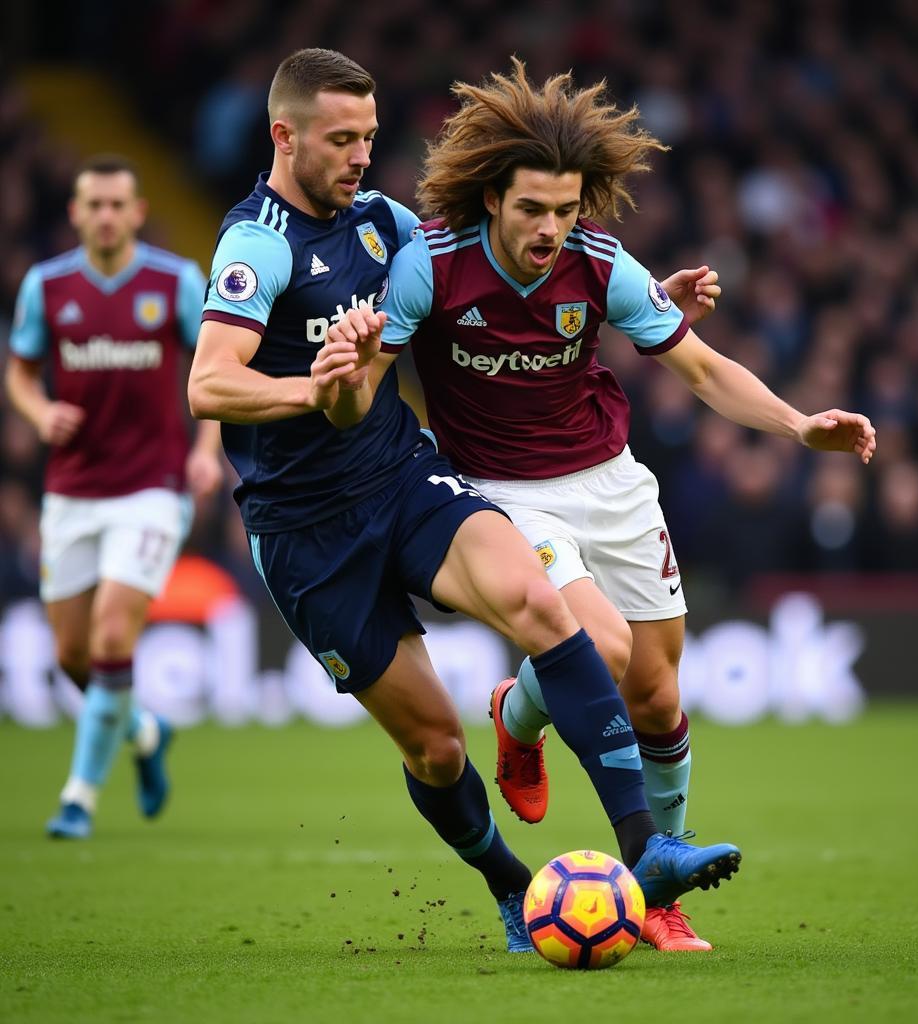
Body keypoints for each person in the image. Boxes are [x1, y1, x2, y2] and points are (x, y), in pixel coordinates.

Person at [187, 47, 739, 953]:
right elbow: (210, 385)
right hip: (305, 530)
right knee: (437, 748)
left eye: (368, 137)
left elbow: (482, 267)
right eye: (340, 140)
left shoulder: (384, 223)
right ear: (284, 136)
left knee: (540, 606)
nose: (361, 156)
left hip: (403, 477)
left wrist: (632, 300)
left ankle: (648, 850)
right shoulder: (256, 244)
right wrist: (316, 390)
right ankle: (512, 889)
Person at [376, 60, 877, 950]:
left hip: (608, 482)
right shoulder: (431, 267)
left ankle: (526, 723)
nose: (550, 229)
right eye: (532, 209)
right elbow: (372, 383)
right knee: (600, 649)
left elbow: (703, 369)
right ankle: (645, 861)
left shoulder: (598, 263)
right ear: (491, 198)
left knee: (655, 689)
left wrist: (801, 426)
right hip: (497, 496)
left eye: (565, 210)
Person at [5, 154, 224, 839]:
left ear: (136, 211)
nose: (104, 215)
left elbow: (212, 368)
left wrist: (205, 451)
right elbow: (19, 371)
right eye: (92, 204)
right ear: (75, 213)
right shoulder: (47, 287)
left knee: (108, 637)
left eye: (116, 204)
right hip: (72, 491)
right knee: (73, 655)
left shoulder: (175, 282)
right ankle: (146, 731)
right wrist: (40, 415)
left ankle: (78, 798)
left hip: (152, 489)